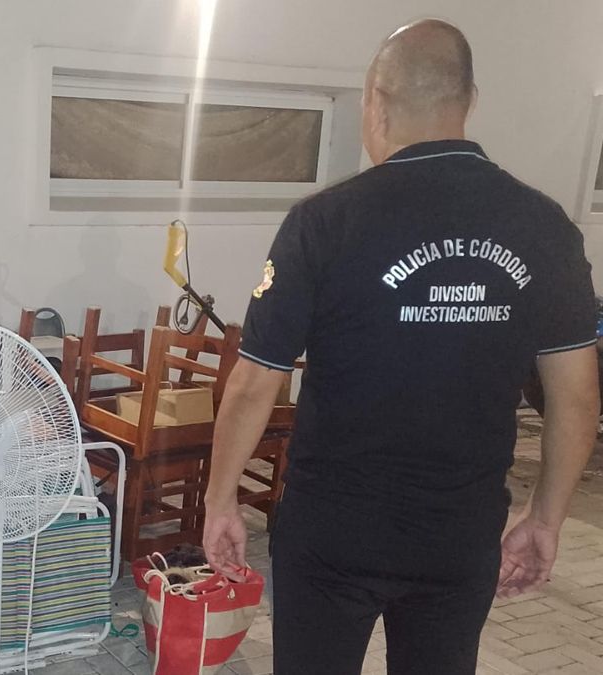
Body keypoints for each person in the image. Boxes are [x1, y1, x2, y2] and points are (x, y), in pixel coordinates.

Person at [201, 18, 599, 675]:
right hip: (459, 535)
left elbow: (254, 383)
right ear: (470, 100)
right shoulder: (545, 227)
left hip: (334, 535)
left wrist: (220, 500)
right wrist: (546, 517)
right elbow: (577, 398)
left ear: (375, 103)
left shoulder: (324, 222)